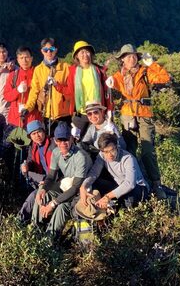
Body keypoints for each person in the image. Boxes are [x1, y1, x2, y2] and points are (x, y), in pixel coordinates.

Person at [109, 44, 168, 197]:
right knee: (130, 149)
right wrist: (107, 80)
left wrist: (152, 64)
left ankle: (156, 184)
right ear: (122, 59)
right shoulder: (118, 76)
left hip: (144, 114)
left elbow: (164, 78)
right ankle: (132, 181)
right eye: (128, 56)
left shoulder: (145, 72)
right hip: (127, 114)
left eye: (134, 55)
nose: (131, 58)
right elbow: (108, 86)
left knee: (148, 149)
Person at [32, 122, 91, 239]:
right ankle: (35, 229)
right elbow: (51, 176)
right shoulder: (56, 152)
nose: (63, 143)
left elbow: (75, 188)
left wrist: (53, 203)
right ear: (55, 140)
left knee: (61, 207)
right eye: (60, 140)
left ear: (72, 139)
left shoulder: (81, 157)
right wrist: (43, 189)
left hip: (81, 191)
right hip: (67, 185)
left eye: (66, 139)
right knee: (42, 194)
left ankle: (50, 239)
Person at [80, 133, 149, 211]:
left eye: (112, 150)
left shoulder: (128, 158)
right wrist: (84, 186)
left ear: (117, 147)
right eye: (106, 152)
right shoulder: (102, 156)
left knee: (129, 199)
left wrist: (108, 196)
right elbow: (94, 173)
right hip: (119, 186)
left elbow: (130, 184)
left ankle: (115, 207)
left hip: (138, 188)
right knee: (95, 183)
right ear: (101, 151)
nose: (110, 155)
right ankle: (99, 207)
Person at [61, 41, 112, 133]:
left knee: (100, 140)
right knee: (77, 139)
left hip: (98, 112)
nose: (85, 55)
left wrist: (109, 109)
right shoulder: (73, 72)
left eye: (87, 51)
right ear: (77, 56)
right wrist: (56, 86)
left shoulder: (98, 70)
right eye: (82, 52)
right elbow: (69, 90)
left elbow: (106, 91)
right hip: (81, 112)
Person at [26, 37, 72, 135]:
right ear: (41, 51)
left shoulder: (65, 67)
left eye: (51, 49)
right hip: (46, 113)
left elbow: (71, 89)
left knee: (64, 142)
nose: (48, 52)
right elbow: (34, 91)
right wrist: (28, 108)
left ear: (56, 50)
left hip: (64, 113)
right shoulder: (38, 70)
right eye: (45, 50)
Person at [18, 120, 56, 222]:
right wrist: (26, 166)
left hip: (53, 179)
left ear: (44, 132)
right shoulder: (33, 147)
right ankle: (21, 220)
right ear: (30, 136)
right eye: (33, 134)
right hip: (42, 179)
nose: (37, 136)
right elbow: (30, 161)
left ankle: (26, 221)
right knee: (25, 172)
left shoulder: (54, 144)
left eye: (39, 132)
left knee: (34, 196)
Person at [3, 46, 41, 129]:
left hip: (33, 118)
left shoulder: (37, 74)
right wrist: (17, 90)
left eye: (27, 57)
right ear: (17, 59)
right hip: (15, 118)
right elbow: (6, 96)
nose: (24, 60)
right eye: (21, 58)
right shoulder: (13, 76)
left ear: (31, 58)